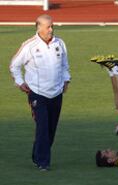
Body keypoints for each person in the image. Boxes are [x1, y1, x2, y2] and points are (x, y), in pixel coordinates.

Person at [9, 14, 71, 171]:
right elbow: (14, 65)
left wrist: (66, 80)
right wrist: (19, 82)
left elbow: (64, 65)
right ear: (39, 27)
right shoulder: (28, 46)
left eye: (52, 26)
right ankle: (43, 163)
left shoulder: (60, 43)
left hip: (56, 93)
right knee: (42, 127)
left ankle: (37, 154)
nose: (51, 29)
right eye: (48, 26)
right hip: (37, 93)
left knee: (51, 129)